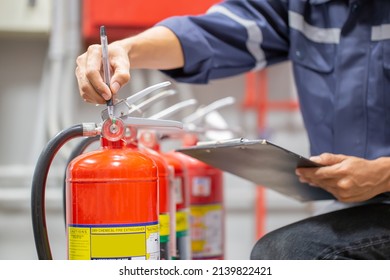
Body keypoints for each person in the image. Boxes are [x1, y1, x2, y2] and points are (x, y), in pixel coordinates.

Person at [75, 0, 390, 259]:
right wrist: (128, 50)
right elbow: (212, 35)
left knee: (287, 254)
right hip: (356, 210)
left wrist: (384, 174)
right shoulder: (303, 6)